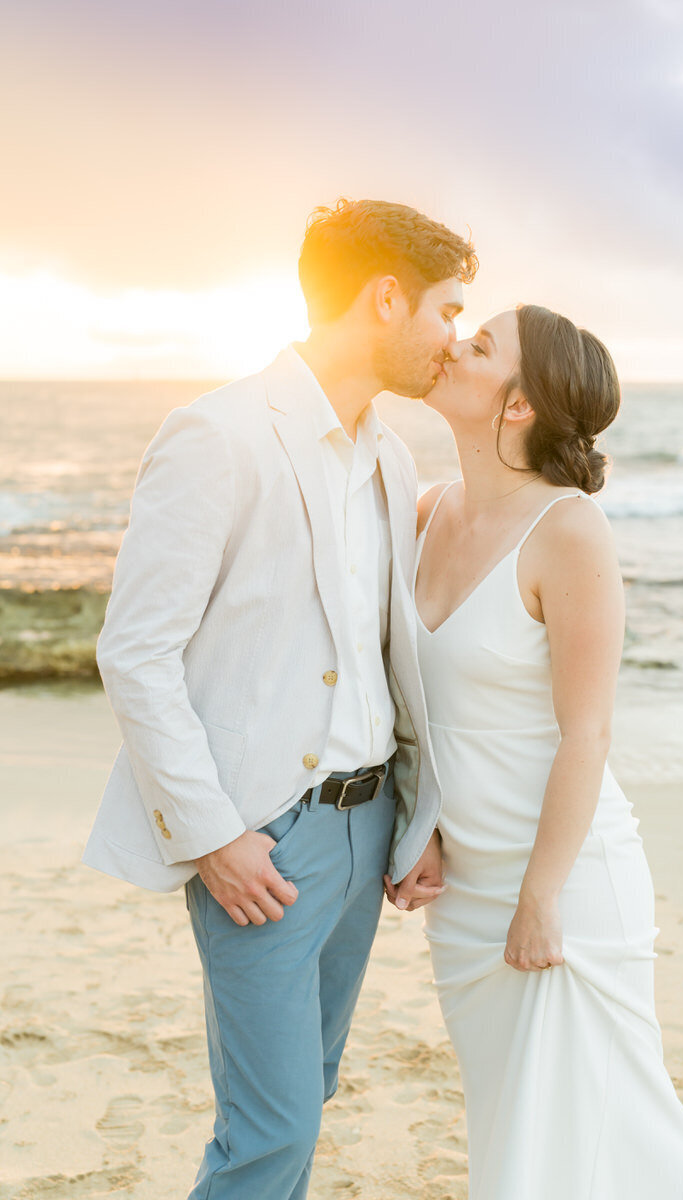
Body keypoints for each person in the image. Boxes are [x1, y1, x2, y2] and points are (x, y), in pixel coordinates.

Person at [83, 198, 476, 1199]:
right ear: (384, 298)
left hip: (366, 827)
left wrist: (414, 814)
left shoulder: (390, 455)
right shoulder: (215, 433)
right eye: (446, 311)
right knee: (269, 1135)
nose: (452, 341)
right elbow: (135, 651)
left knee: (309, 1094)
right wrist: (214, 835)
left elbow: (386, 658)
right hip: (263, 841)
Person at [386, 305, 683, 1197]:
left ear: (518, 406)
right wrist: (419, 820)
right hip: (466, 893)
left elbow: (590, 731)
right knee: (517, 1136)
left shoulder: (569, 532)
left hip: (566, 883)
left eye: (482, 345)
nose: (454, 345)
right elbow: (412, 704)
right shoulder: (425, 511)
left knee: (617, 1126)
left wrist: (541, 895)